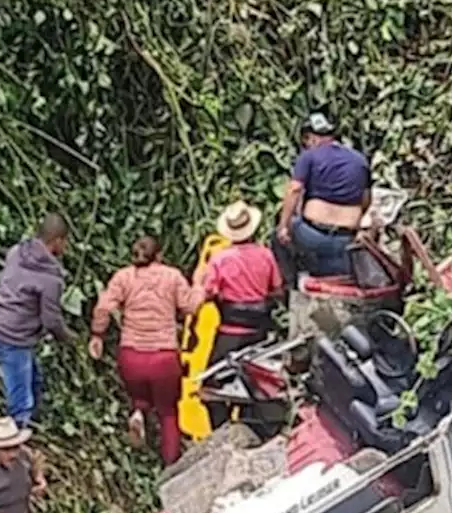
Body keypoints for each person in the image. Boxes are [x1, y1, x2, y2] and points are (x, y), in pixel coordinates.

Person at [89, 236, 204, 465]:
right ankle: (170, 467)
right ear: (159, 255)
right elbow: (190, 306)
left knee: (139, 396)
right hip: (163, 357)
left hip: (131, 356)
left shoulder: (123, 277)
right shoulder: (171, 276)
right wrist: (199, 286)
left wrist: (97, 335)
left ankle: (139, 413)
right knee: (168, 412)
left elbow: (103, 307)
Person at [0, 214, 74, 428]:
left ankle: (32, 428)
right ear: (57, 241)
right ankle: (14, 449)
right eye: (65, 241)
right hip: (12, 338)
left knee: (34, 380)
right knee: (21, 404)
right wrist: (68, 338)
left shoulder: (16, 252)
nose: (66, 246)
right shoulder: (51, 277)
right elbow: (51, 320)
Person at [199, 200, 285, 429]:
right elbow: (277, 290)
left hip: (230, 333)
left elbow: (208, 293)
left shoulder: (220, 259)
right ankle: (252, 427)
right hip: (259, 333)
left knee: (209, 388)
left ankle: (221, 429)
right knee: (260, 385)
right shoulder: (266, 255)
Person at [274, 112, 372, 290]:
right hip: (346, 239)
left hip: (313, 234)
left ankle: (289, 290)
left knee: (278, 237)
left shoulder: (309, 156)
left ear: (310, 138)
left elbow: (294, 189)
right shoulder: (360, 160)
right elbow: (366, 199)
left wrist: (283, 226)